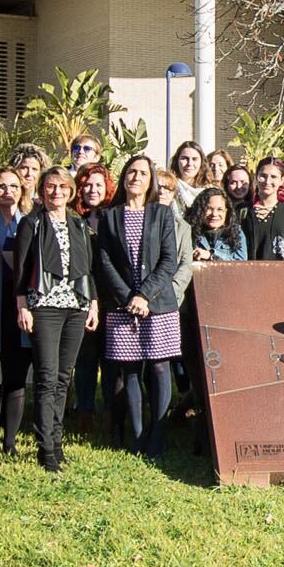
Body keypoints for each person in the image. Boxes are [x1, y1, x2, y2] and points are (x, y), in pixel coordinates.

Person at [92, 153, 190, 459]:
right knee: (130, 370)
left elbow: (168, 261)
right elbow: (104, 262)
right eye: (131, 172)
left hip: (158, 303)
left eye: (143, 173)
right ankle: (136, 437)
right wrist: (127, 297)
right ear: (123, 179)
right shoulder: (110, 216)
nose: (136, 177)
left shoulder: (162, 215)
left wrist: (144, 295)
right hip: (122, 306)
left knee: (160, 367)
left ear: (150, 182)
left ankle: (157, 435)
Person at [5, 163, 98, 470]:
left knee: (63, 377)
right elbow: (20, 269)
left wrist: (93, 303)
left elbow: (87, 267)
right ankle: (45, 448)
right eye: (50, 187)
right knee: (46, 377)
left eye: (62, 187)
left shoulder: (79, 224)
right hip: (43, 306)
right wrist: (22, 305)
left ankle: (57, 443)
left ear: (71, 191)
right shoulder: (32, 223)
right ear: (42, 190)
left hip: (76, 306)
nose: (56, 192)